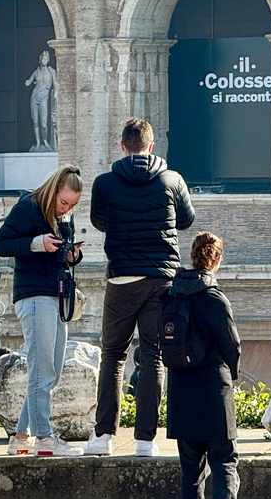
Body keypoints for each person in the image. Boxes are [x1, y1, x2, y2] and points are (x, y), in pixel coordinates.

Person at [83, 118, 195, 458]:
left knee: (113, 355)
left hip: (122, 278)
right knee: (153, 357)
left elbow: (99, 221)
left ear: (122, 146)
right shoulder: (172, 180)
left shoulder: (104, 183)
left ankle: (103, 437)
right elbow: (186, 219)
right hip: (162, 279)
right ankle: (145, 441)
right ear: (151, 145)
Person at [0, 165, 86, 457]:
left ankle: (21, 436)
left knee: (52, 371)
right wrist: (37, 243)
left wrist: (72, 255)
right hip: (34, 296)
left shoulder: (61, 218)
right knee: (41, 369)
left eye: (71, 205)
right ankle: (44, 437)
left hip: (55, 296)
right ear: (54, 190)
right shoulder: (28, 207)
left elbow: (57, 256)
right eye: (64, 202)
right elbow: (0, 243)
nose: (66, 209)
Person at [166, 232, 252, 499]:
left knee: (191, 468)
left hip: (180, 389)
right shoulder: (214, 297)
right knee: (225, 461)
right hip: (213, 390)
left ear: (193, 256)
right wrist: (234, 374)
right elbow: (233, 344)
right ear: (217, 259)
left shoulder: (173, 295)